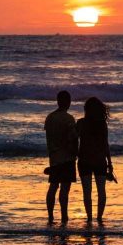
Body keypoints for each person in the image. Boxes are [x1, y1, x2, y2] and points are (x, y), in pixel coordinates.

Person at [77, 97, 112, 222]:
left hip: (84, 160)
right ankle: (99, 218)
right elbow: (105, 144)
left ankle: (90, 218)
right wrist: (110, 164)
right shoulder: (102, 124)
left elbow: (75, 141)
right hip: (100, 160)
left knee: (87, 192)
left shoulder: (80, 123)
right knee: (101, 191)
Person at [44, 90, 78, 223]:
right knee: (65, 188)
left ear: (58, 101)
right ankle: (64, 215)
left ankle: (51, 215)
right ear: (68, 102)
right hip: (67, 157)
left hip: (54, 157)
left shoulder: (50, 117)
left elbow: (49, 138)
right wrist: (76, 152)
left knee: (53, 186)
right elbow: (72, 139)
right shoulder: (69, 119)